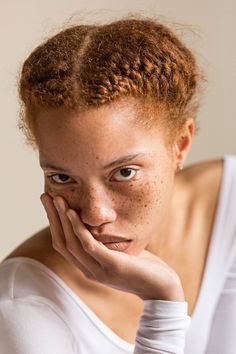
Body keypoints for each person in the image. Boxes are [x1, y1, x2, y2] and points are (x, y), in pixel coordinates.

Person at [0, 16, 235, 354]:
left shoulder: (229, 207)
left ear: (181, 144)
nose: (96, 214)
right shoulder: (23, 305)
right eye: (63, 178)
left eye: (124, 173)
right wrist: (162, 306)